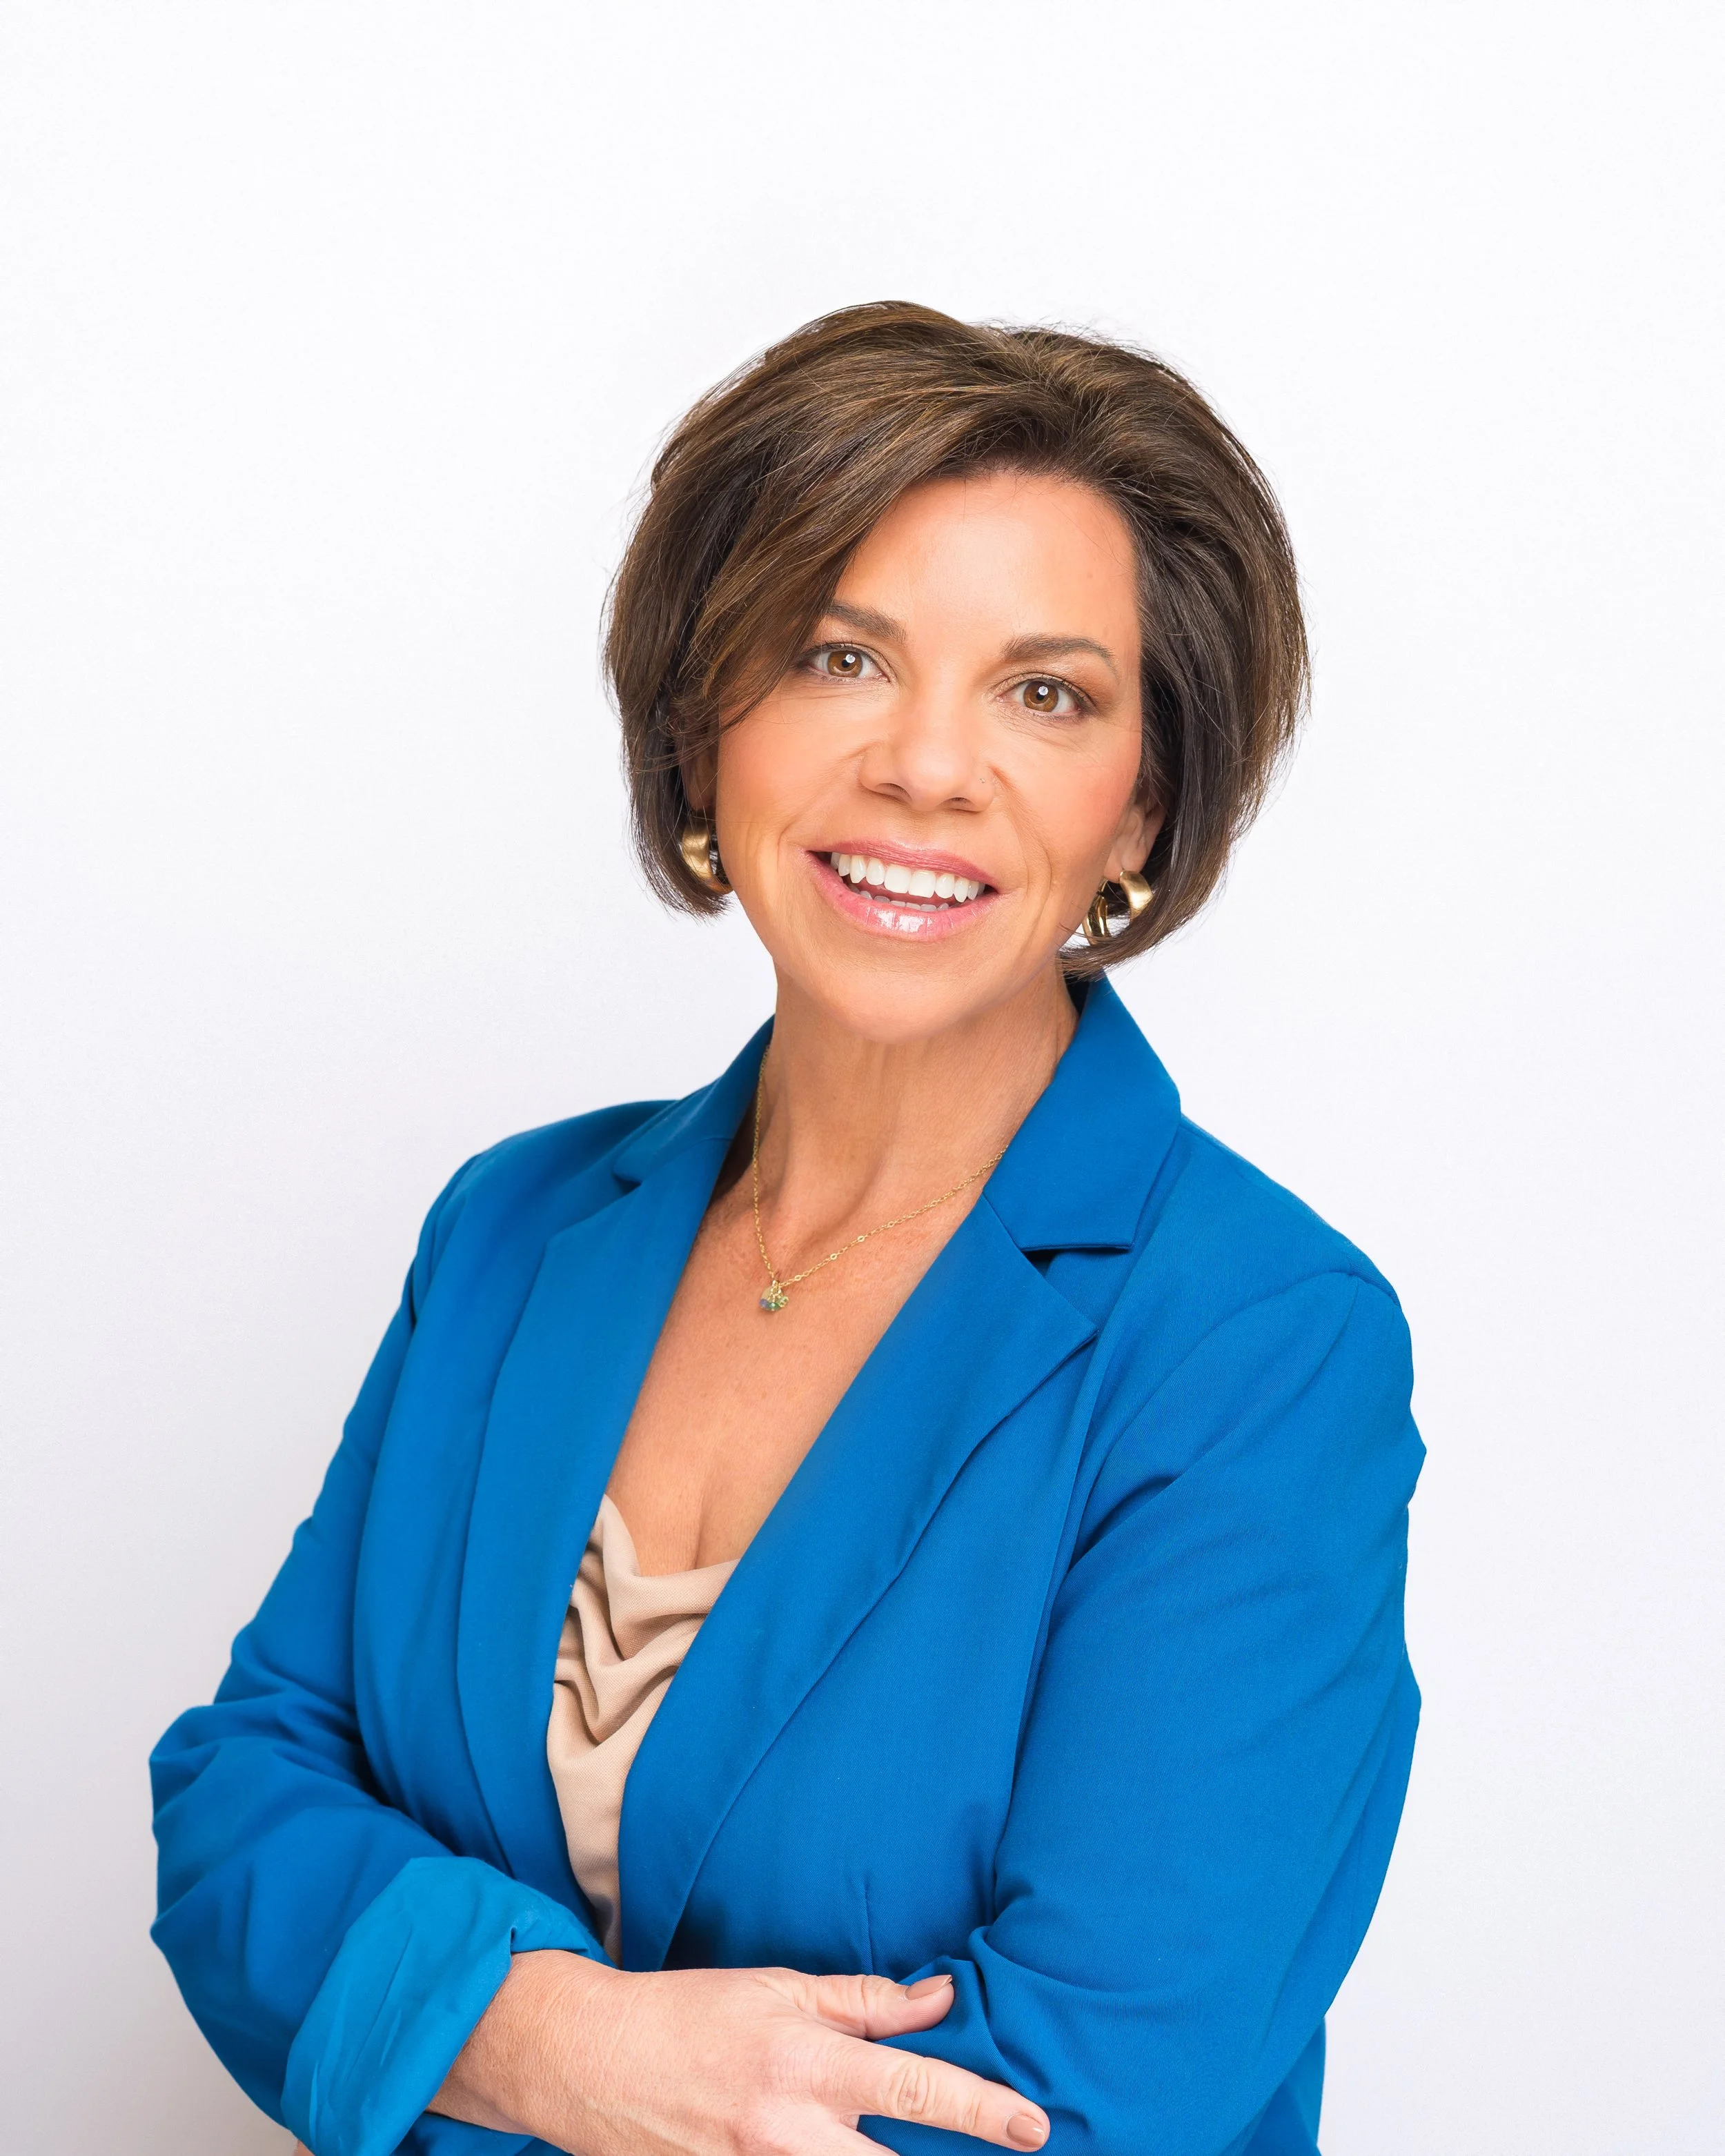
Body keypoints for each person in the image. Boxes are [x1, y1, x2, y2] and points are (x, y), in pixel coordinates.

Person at [150, 301, 1423, 2156]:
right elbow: (240, 1799)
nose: (925, 765)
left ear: (1140, 794)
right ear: (704, 713)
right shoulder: (511, 1233)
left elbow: (1083, 2103)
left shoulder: (1255, 1344)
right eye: (840, 654)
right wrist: (549, 2041)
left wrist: (408, 2012)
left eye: (1044, 691)